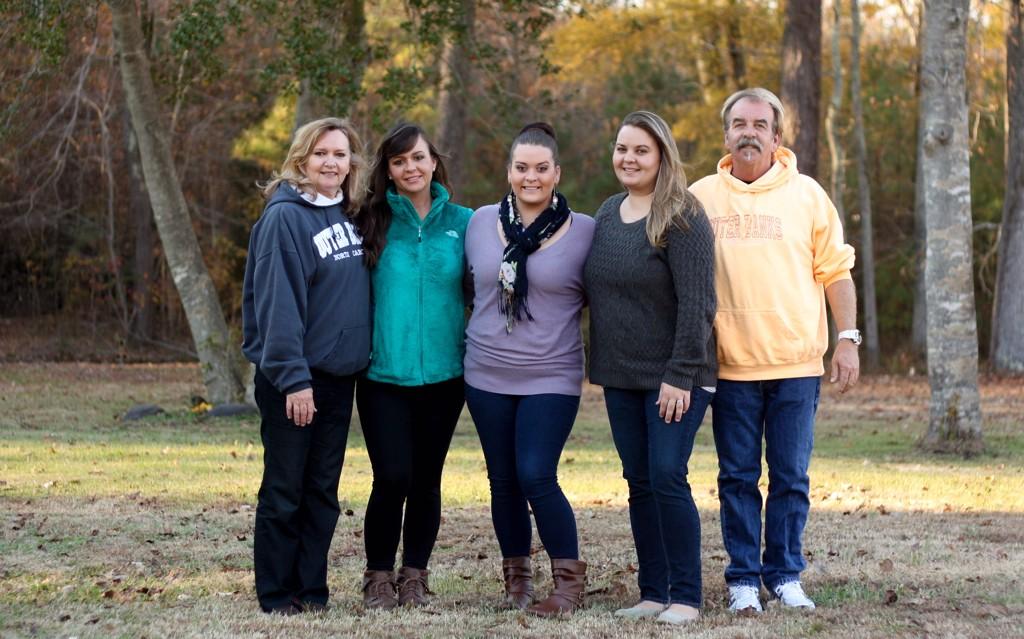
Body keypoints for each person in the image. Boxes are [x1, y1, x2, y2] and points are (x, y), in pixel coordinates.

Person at [689, 87, 860, 613]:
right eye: (739, 123)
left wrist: (847, 339)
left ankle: (784, 574)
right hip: (731, 367)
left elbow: (836, 272)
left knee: (790, 476)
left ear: (776, 136)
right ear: (726, 135)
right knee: (737, 477)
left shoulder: (808, 194)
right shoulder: (699, 197)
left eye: (760, 124)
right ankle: (743, 578)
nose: (749, 132)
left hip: (796, 365)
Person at [583, 111, 717, 626]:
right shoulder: (608, 212)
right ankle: (652, 592)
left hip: (677, 376)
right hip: (621, 375)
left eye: (640, 150)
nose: (629, 159)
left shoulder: (682, 216)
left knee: (666, 476)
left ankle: (686, 597)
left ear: (662, 155)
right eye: (622, 149)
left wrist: (680, 373)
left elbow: (700, 302)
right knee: (639, 479)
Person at [463, 122, 595, 616]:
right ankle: (517, 580)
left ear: (556, 173)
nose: (531, 177)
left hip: (552, 376)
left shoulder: (585, 231)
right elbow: (465, 287)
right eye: (522, 167)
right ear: (509, 171)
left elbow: (607, 296)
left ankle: (567, 586)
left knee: (536, 473)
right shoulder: (479, 223)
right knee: (503, 480)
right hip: (485, 374)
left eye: (541, 168)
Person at [241, 117, 370, 614]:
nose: (331, 163)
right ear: (301, 159)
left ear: (351, 163)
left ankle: (311, 590)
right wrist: (294, 380)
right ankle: (276, 594)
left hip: (339, 379)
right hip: (294, 378)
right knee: (285, 489)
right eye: (321, 154)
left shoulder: (349, 213)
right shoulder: (285, 218)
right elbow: (278, 307)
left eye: (340, 155)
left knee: (322, 492)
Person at [352, 123, 473, 609]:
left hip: (446, 376)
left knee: (427, 478)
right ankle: (378, 575)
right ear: (388, 170)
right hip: (383, 375)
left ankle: (415, 574)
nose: (410, 168)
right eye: (399, 162)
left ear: (433, 161)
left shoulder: (465, 222)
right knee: (392, 476)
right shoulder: (369, 221)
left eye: (418, 158)